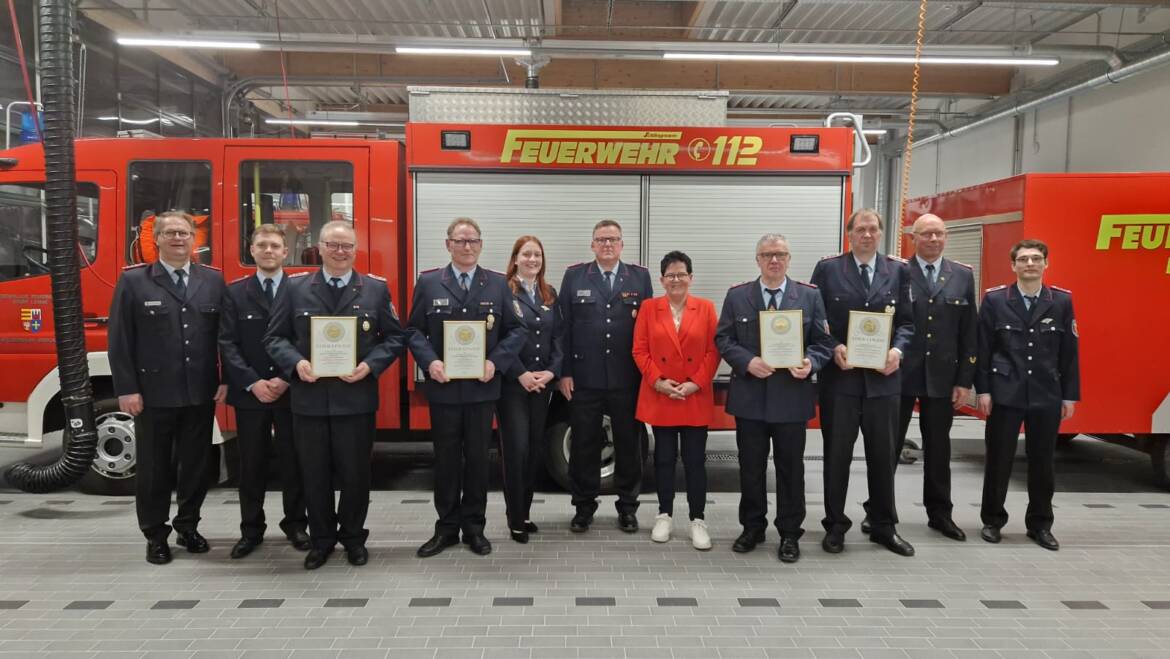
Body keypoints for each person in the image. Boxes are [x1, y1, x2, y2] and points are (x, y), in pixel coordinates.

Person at [264, 220, 408, 570]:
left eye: (347, 246)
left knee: (356, 474)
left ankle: (354, 539)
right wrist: (296, 364)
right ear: (320, 247)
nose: (340, 252)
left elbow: (394, 337)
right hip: (309, 400)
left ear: (355, 250)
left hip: (355, 399)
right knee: (313, 474)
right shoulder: (295, 288)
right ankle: (322, 541)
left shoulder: (374, 290)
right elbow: (274, 338)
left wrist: (370, 366)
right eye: (333, 245)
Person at [108, 211, 227, 565]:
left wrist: (224, 379)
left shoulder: (213, 281)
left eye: (185, 233)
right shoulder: (134, 282)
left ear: (195, 240)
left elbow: (225, 337)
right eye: (171, 233)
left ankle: (188, 526)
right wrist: (127, 389)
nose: (178, 239)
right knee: (154, 468)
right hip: (154, 393)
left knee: (195, 465)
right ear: (156, 238)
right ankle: (155, 535)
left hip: (199, 392)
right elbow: (120, 340)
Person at [409, 218, 526, 558]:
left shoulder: (500, 284)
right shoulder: (430, 283)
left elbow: (517, 330)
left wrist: (495, 362)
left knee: (477, 461)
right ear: (448, 244)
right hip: (443, 390)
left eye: (473, 240)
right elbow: (414, 331)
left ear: (481, 244)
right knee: (445, 461)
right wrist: (430, 362)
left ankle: (474, 528)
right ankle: (445, 529)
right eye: (460, 241)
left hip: (481, 389)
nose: (467, 246)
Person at [716, 234, 834, 563]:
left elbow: (824, 342)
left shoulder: (809, 297)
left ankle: (789, 534)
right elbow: (723, 338)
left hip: (791, 398)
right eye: (767, 255)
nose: (774, 260)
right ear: (757, 260)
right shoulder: (738, 296)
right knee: (751, 468)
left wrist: (811, 361)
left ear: (789, 259)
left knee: (790, 469)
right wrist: (746, 361)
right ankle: (752, 527)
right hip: (750, 398)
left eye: (780, 254)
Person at [811, 208, 916, 557]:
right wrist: (834, 346)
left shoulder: (899, 270)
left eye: (873, 229)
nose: (867, 235)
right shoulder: (828, 269)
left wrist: (897, 352)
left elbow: (908, 323)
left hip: (884, 382)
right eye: (860, 229)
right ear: (849, 234)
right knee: (836, 456)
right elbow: (815, 320)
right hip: (840, 381)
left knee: (883, 457)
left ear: (880, 233)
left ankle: (884, 526)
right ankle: (835, 526)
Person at [976, 239, 1080, 551]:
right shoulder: (995, 300)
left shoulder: (1061, 301)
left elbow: (1069, 352)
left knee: (1043, 462)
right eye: (1023, 259)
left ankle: (1040, 524)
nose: (1030, 264)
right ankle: (993, 520)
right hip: (1005, 393)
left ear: (1046, 264)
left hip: (1046, 394)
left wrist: (1069, 396)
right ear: (1013, 266)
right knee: (998, 460)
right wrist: (983, 391)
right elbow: (983, 349)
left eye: (1036, 259)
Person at [218, 223, 309, 559]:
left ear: (286, 252)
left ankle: (296, 524)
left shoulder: (301, 289)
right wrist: (253, 382)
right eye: (262, 245)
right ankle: (251, 529)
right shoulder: (234, 292)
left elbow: (306, 339)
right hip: (251, 393)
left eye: (275, 245)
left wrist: (286, 377)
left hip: (293, 390)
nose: (269, 250)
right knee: (251, 464)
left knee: (294, 461)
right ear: (252, 251)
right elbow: (227, 342)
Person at [558, 220, 654, 533]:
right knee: (584, 444)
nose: (607, 245)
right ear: (592, 245)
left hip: (627, 379)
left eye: (613, 239)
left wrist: (646, 374)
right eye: (601, 239)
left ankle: (628, 507)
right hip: (584, 378)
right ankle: (584, 507)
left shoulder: (639, 276)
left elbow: (647, 329)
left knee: (629, 445)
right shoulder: (574, 276)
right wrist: (565, 373)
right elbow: (564, 328)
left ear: (622, 244)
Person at [895, 214, 976, 541]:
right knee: (887, 447)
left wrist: (965, 380)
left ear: (946, 237)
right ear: (913, 238)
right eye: (926, 234)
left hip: (943, 377)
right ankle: (880, 513)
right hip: (899, 374)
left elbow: (969, 331)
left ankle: (940, 514)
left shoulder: (962, 275)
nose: (933, 239)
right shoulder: (898, 272)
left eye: (939, 234)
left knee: (939, 450)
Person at [632, 251, 720, 550]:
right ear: (661, 280)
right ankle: (664, 515)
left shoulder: (706, 309)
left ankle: (698, 520)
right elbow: (639, 350)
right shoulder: (648, 308)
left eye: (682, 274)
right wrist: (658, 381)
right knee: (664, 459)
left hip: (693, 396)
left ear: (691, 278)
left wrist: (695, 383)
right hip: (663, 395)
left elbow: (713, 351)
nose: (676, 279)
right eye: (670, 275)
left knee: (695, 461)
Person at [497, 235, 563, 544]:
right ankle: (514, 517)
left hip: (542, 386)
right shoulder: (502, 292)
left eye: (537, 254)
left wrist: (551, 372)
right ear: (515, 259)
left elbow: (560, 339)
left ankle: (524, 513)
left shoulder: (549, 293)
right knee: (516, 450)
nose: (532, 259)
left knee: (534, 449)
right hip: (513, 385)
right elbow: (497, 340)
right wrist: (520, 373)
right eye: (526, 254)